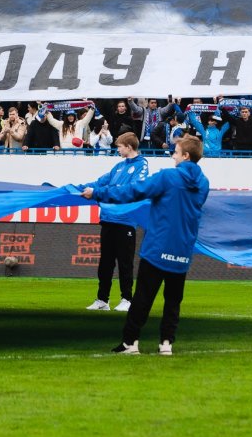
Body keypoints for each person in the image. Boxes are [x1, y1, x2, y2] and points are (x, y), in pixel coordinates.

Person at [83, 133, 209, 356]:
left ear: (186, 156)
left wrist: (97, 194)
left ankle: (130, 343)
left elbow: (133, 191)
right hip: (182, 250)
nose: (173, 156)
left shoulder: (168, 177)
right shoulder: (203, 183)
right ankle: (166, 344)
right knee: (173, 301)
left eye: (176, 152)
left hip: (158, 247)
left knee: (142, 298)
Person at [84, 131, 150, 312]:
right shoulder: (118, 166)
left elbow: (132, 189)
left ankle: (127, 299)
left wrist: (102, 192)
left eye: (119, 147)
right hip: (107, 219)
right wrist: (78, 188)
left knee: (125, 263)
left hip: (126, 221)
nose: (117, 150)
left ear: (129, 147)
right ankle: (102, 300)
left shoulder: (142, 165)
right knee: (105, 263)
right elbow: (99, 183)